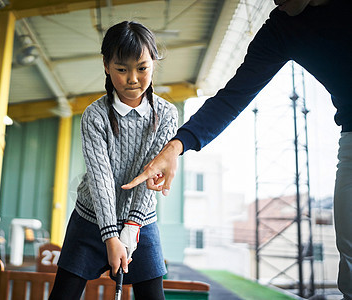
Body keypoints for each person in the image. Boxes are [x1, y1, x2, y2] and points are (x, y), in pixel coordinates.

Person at [122, 0, 352, 298]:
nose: (275, 1)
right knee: (348, 252)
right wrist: (176, 146)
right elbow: (232, 98)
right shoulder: (283, 27)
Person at [48, 21, 178, 300]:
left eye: (142, 68)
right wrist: (110, 236)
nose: (132, 78)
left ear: (153, 63)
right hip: (90, 219)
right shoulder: (94, 116)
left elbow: (149, 175)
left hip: (141, 219)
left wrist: (131, 227)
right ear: (106, 65)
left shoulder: (167, 114)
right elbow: (101, 179)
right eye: (122, 69)